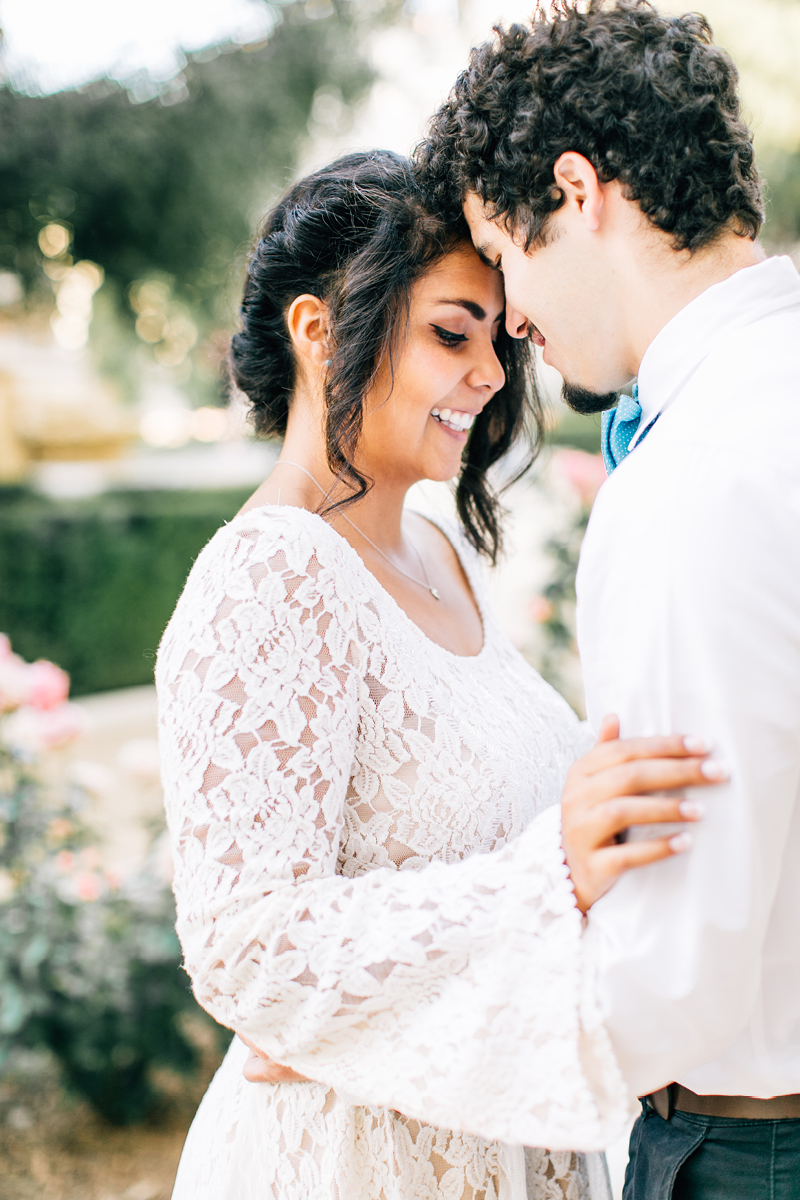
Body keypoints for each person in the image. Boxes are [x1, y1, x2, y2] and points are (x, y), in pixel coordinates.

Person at [155, 150, 719, 1200]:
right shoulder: (270, 574)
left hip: (498, 1141)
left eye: (497, 338)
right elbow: (242, 946)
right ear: (319, 334)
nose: (493, 375)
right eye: (449, 333)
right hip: (353, 1163)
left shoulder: (437, 551)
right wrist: (548, 870)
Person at [415, 1, 800, 1197]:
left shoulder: (689, 480)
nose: (513, 321)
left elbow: (678, 970)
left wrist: (405, 1048)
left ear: (577, 191)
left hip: (745, 1144)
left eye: (506, 252)